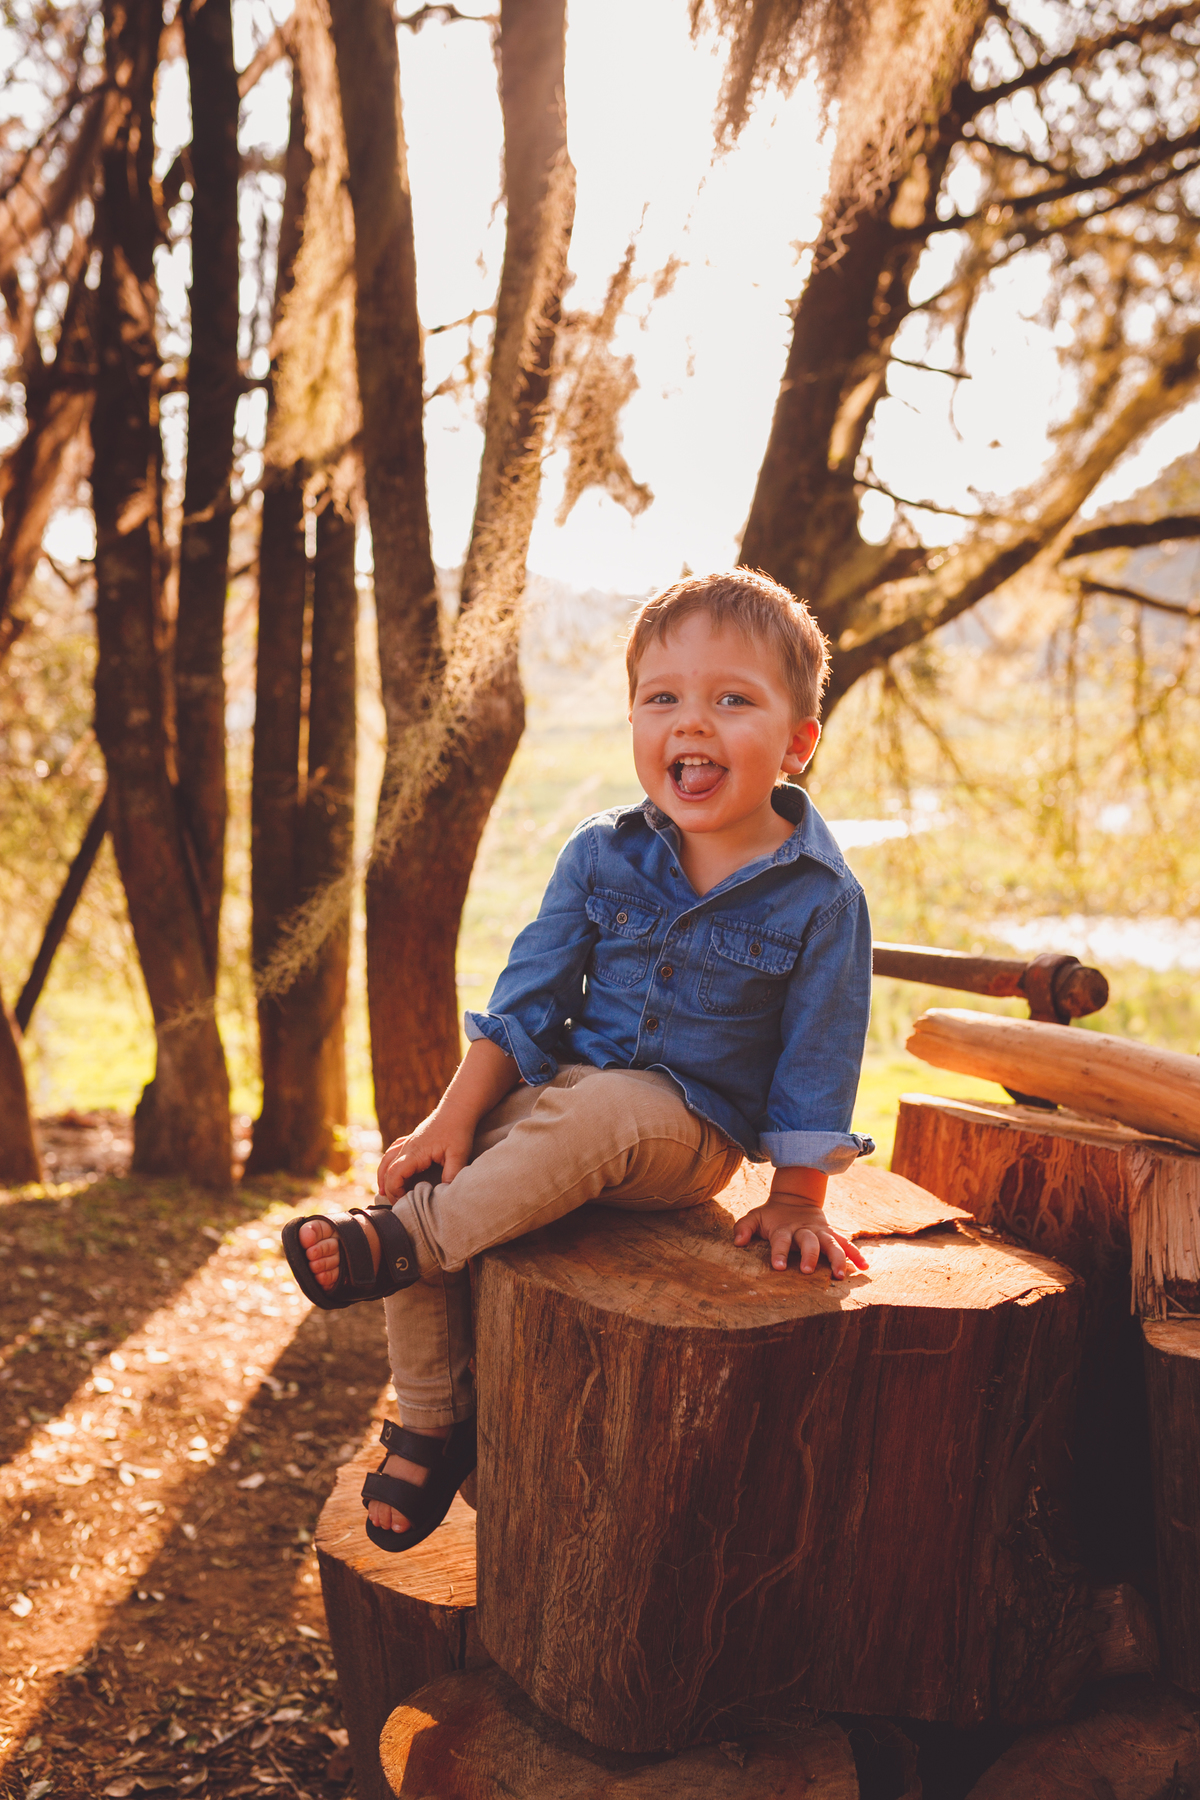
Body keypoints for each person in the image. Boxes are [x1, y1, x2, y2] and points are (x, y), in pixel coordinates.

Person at [282, 568, 874, 1553]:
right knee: (427, 1174)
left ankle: (407, 1244)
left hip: (684, 1135)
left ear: (796, 744)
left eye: (732, 699)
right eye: (663, 699)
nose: (692, 723)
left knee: (588, 1125)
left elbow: (822, 1047)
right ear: (634, 722)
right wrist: (448, 1122)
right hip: (567, 1101)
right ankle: (431, 1421)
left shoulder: (820, 896)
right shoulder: (602, 854)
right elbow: (528, 1004)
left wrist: (801, 1197)